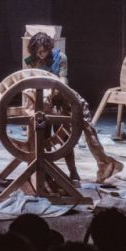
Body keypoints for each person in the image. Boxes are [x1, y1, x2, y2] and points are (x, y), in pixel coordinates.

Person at [23, 31, 79, 181]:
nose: (40, 54)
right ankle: (46, 173)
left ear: (49, 47)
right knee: (43, 138)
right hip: (41, 104)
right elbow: (28, 82)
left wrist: (55, 91)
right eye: (37, 51)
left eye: (43, 51)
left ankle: (73, 172)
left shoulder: (60, 57)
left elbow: (63, 80)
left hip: (60, 100)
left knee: (66, 139)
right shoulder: (30, 60)